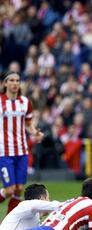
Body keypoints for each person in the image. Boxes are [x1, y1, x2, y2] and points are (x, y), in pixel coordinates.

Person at [0, 72, 44, 214]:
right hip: (4, 152)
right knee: (9, 190)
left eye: (17, 80)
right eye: (11, 80)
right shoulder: (0, 101)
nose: (14, 83)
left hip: (22, 151)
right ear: (5, 83)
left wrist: (35, 133)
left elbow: (28, 124)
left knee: (19, 189)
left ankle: (9, 221)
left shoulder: (25, 102)